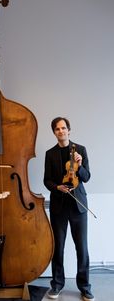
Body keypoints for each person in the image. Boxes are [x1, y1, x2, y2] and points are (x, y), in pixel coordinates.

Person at [44, 117, 94, 301]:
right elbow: (47, 180)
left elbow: (87, 177)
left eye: (64, 128)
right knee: (58, 248)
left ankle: (85, 287)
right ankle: (57, 285)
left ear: (69, 130)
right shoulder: (50, 154)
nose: (61, 131)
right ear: (54, 132)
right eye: (57, 129)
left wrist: (79, 166)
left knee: (82, 248)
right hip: (59, 206)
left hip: (78, 206)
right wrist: (57, 187)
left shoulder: (80, 150)